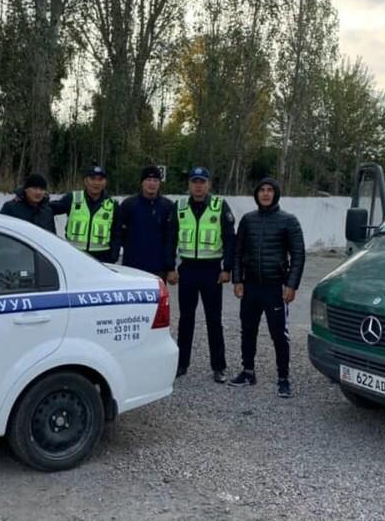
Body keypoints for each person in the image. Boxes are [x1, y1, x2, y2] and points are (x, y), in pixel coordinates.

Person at [229, 177, 305, 398]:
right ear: (256, 194)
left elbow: (298, 255)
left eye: (270, 190)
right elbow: (238, 252)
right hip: (251, 286)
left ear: (275, 194)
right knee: (248, 330)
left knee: (279, 334)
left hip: (275, 287)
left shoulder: (288, 220)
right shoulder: (248, 220)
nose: (265, 193)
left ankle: (283, 378)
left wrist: (291, 285)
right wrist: (237, 280)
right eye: (261, 189)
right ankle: (248, 372)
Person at [172, 166, 235, 382]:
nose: (198, 186)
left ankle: (218, 366)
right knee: (185, 319)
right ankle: (182, 364)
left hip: (211, 271)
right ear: (189, 184)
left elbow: (230, 239)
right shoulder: (180, 206)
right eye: (194, 182)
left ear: (208, 185)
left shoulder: (219, 206)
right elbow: (170, 239)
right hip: (188, 270)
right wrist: (170, 267)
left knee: (214, 319)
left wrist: (227, 269)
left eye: (202, 182)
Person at [51, 165, 121, 263]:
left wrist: (113, 257)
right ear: (85, 181)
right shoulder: (72, 199)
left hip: (101, 260)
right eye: (92, 179)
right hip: (73, 256)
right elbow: (49, 209)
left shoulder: (112, 205)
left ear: (105, 182)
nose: (96, 183)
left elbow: (117, 234)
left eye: (100, 179)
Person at [117, 166, 176, 279]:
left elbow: (171, 239)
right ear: (142, 183)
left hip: (159, 269)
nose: (152, 184)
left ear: (159, 183)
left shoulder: (168, 206)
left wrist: (170, 267)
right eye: (148, 180)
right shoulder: (128, 205)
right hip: (132, 267)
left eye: (155, 180)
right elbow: (119, 233)